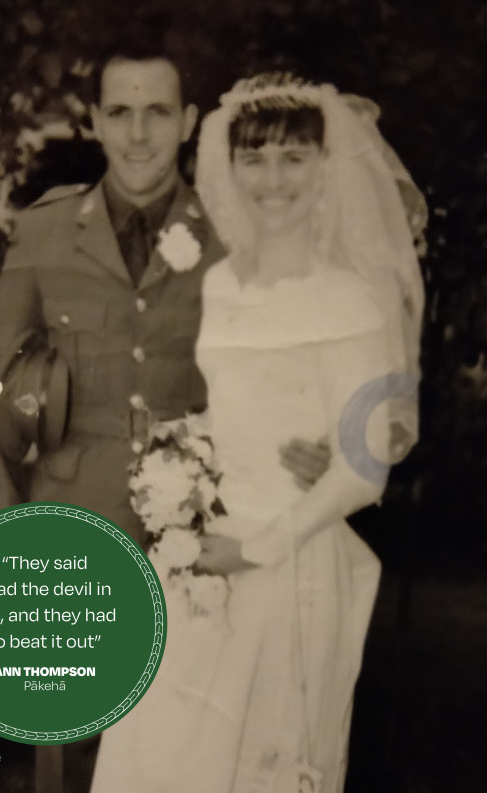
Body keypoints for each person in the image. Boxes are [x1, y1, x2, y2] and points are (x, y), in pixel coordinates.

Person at [0, 41, 330, 792]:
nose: (139, 134)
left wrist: (315, 450)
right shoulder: (44, 229)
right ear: (95, 122)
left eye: (158, 113)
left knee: (185, 747)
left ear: (191, 121)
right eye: (122, 113)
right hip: (69, 517)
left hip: (198, 532)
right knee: (69, 746)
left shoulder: (236, 234)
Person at [89, 72, 425, 793]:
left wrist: (254, 549)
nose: (272, 179)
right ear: (228, 166)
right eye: (254, 157)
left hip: (288, 555)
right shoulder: (220, 284)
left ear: (325, 166)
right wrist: (180, 471)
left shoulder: (350, 297)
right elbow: (230, 407)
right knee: (161, 753)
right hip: (199, 554)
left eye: (293, 158)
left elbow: (365, 467)